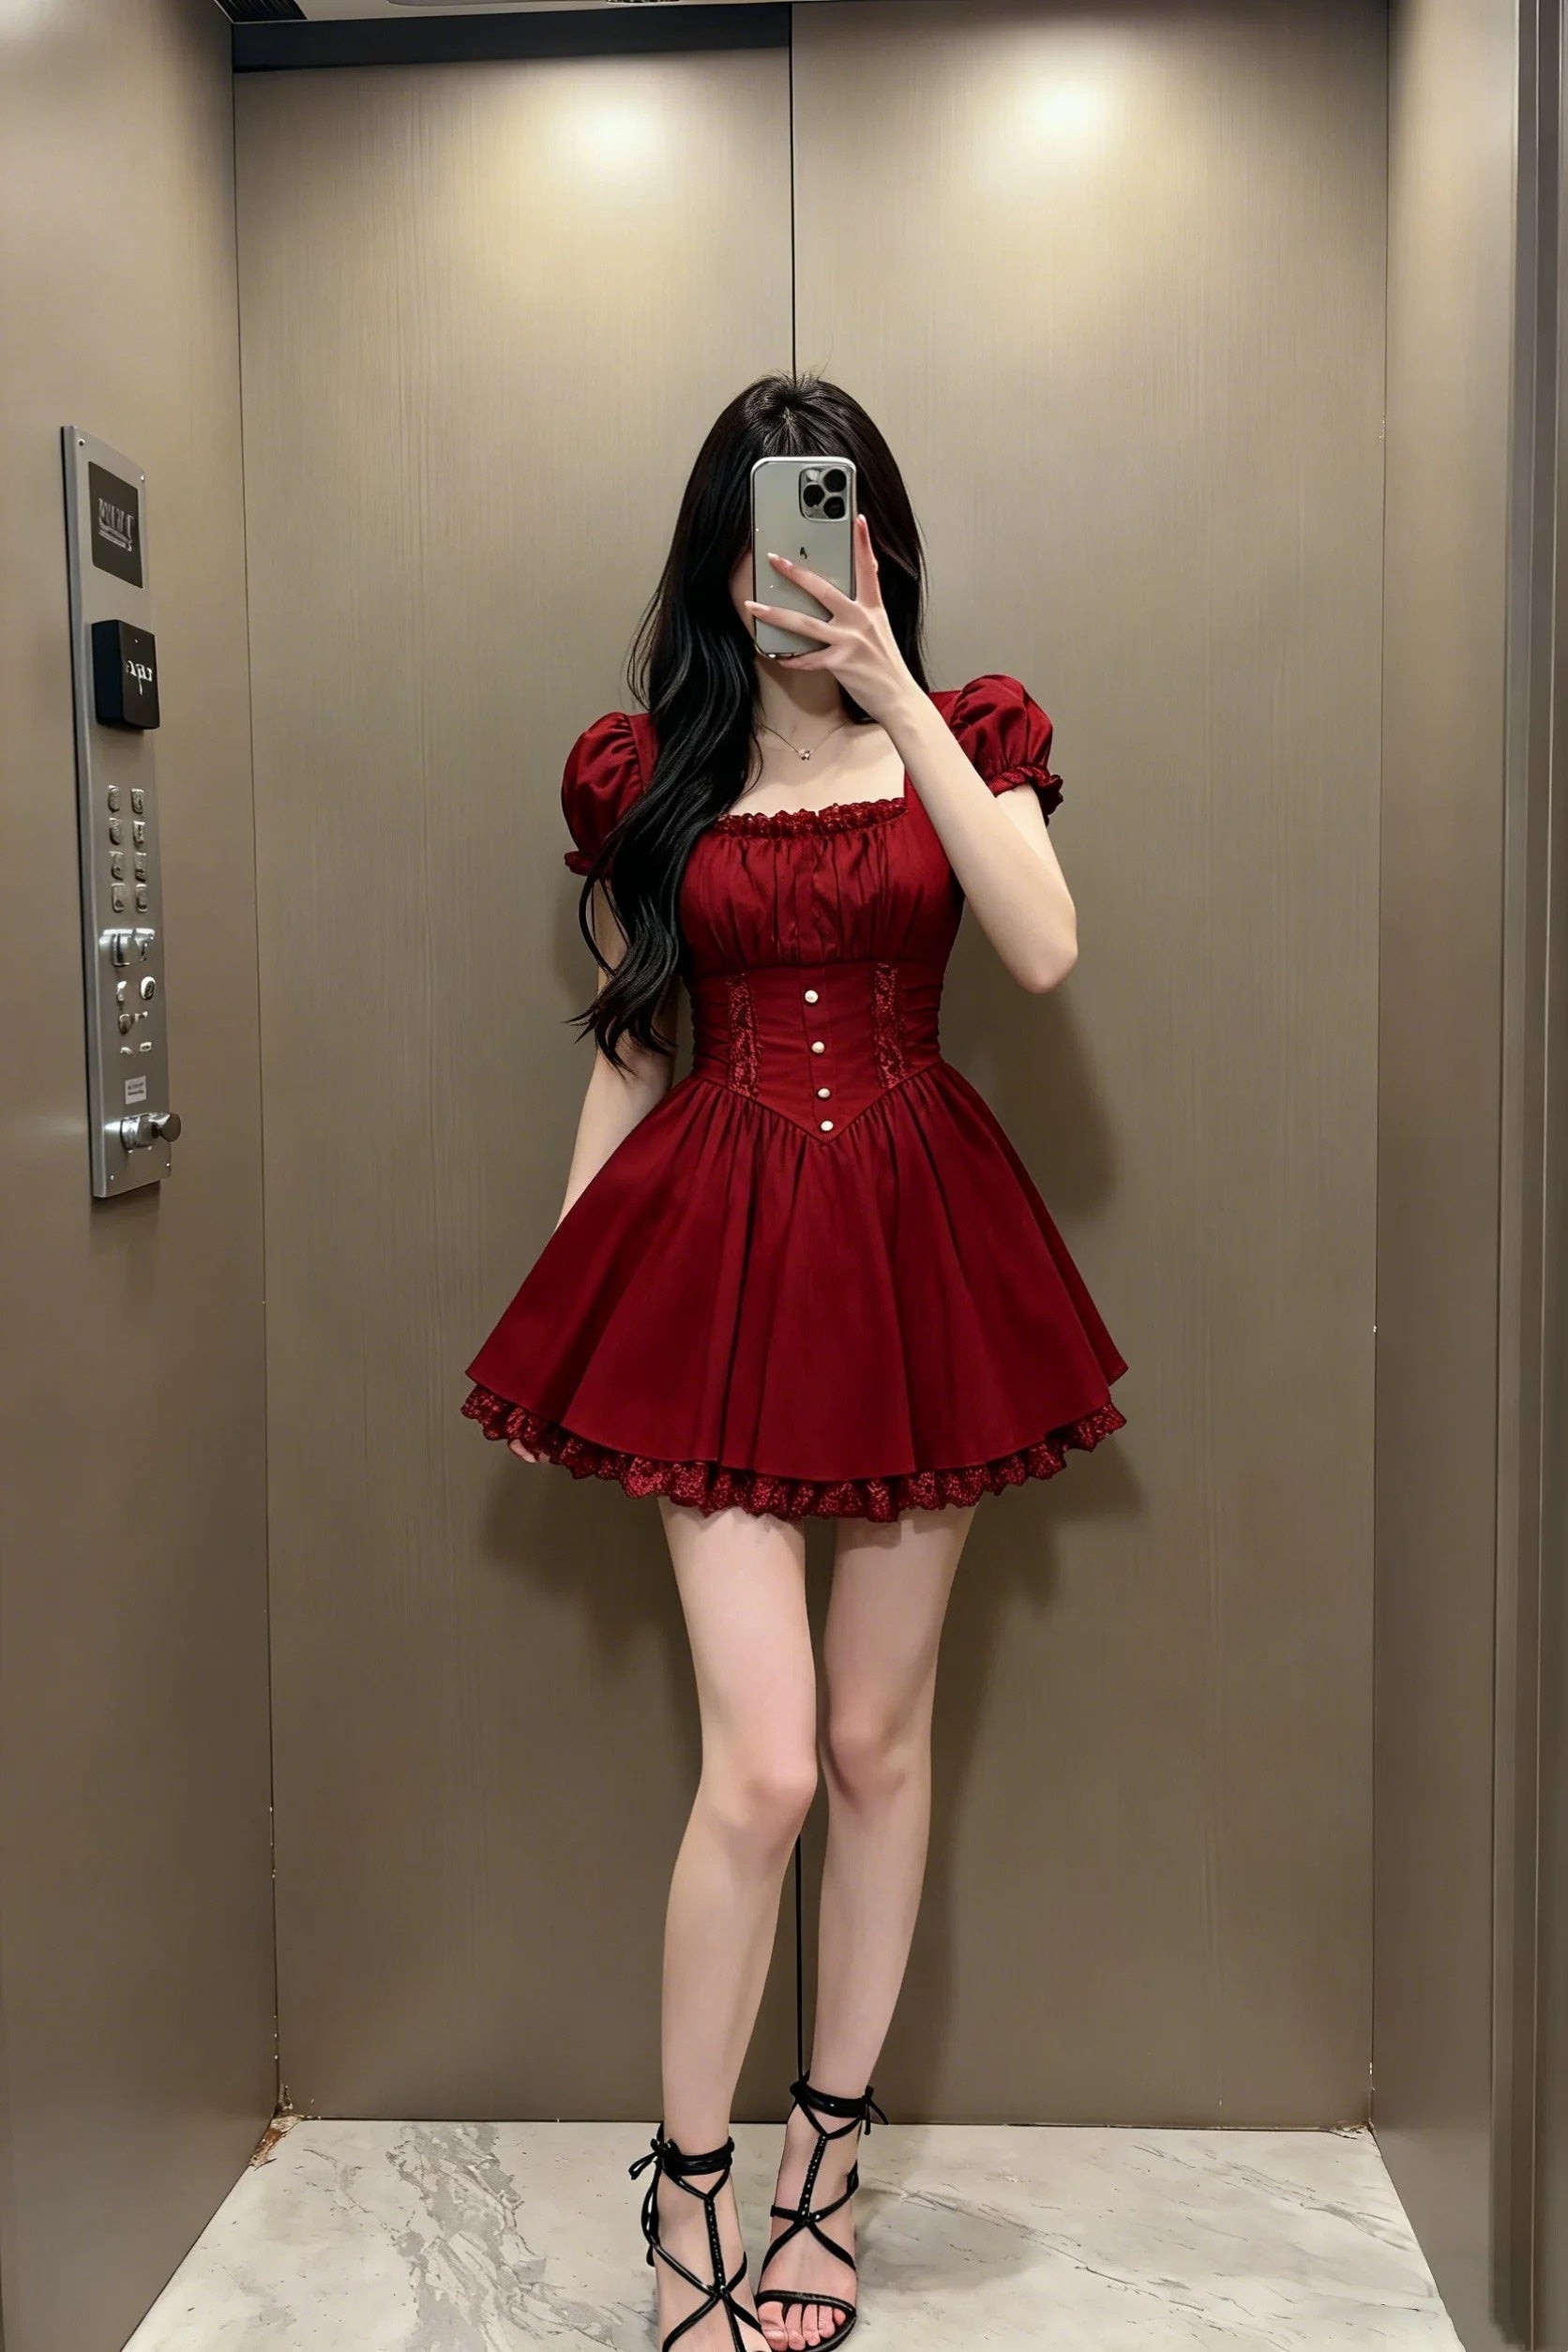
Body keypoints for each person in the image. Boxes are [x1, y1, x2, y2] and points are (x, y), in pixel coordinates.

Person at [462, 374, 1126, 2352]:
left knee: (870, 1750)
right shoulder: (648, 782)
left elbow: (1040, 949)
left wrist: (892, 690)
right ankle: (688, 2200)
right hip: (719, 1259)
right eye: (764, 534)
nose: (798, 568)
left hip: (920, 1250)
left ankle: (821, 2175)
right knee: (758, 1766)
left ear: (875, 543)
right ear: (716, 557)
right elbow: (631, 1050)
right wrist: (567, 1322)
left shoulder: (967, 735)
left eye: (828, 526)